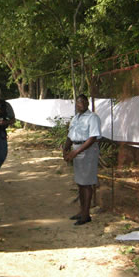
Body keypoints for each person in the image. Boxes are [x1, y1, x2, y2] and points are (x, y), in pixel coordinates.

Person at [63, 94, 101, 225]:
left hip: (87, 151)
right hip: (76, 149)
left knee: (87, 183)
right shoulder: (76, 118)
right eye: (78, 103)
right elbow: (70, 135)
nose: (81, 104)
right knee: (80, 182)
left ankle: (86, 215)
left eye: (83, 102)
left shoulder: (92, 118)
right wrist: (65, 149)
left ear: (87, 103)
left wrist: (76, 151)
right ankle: (81, 210)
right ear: (76, 105)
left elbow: (93, 138)